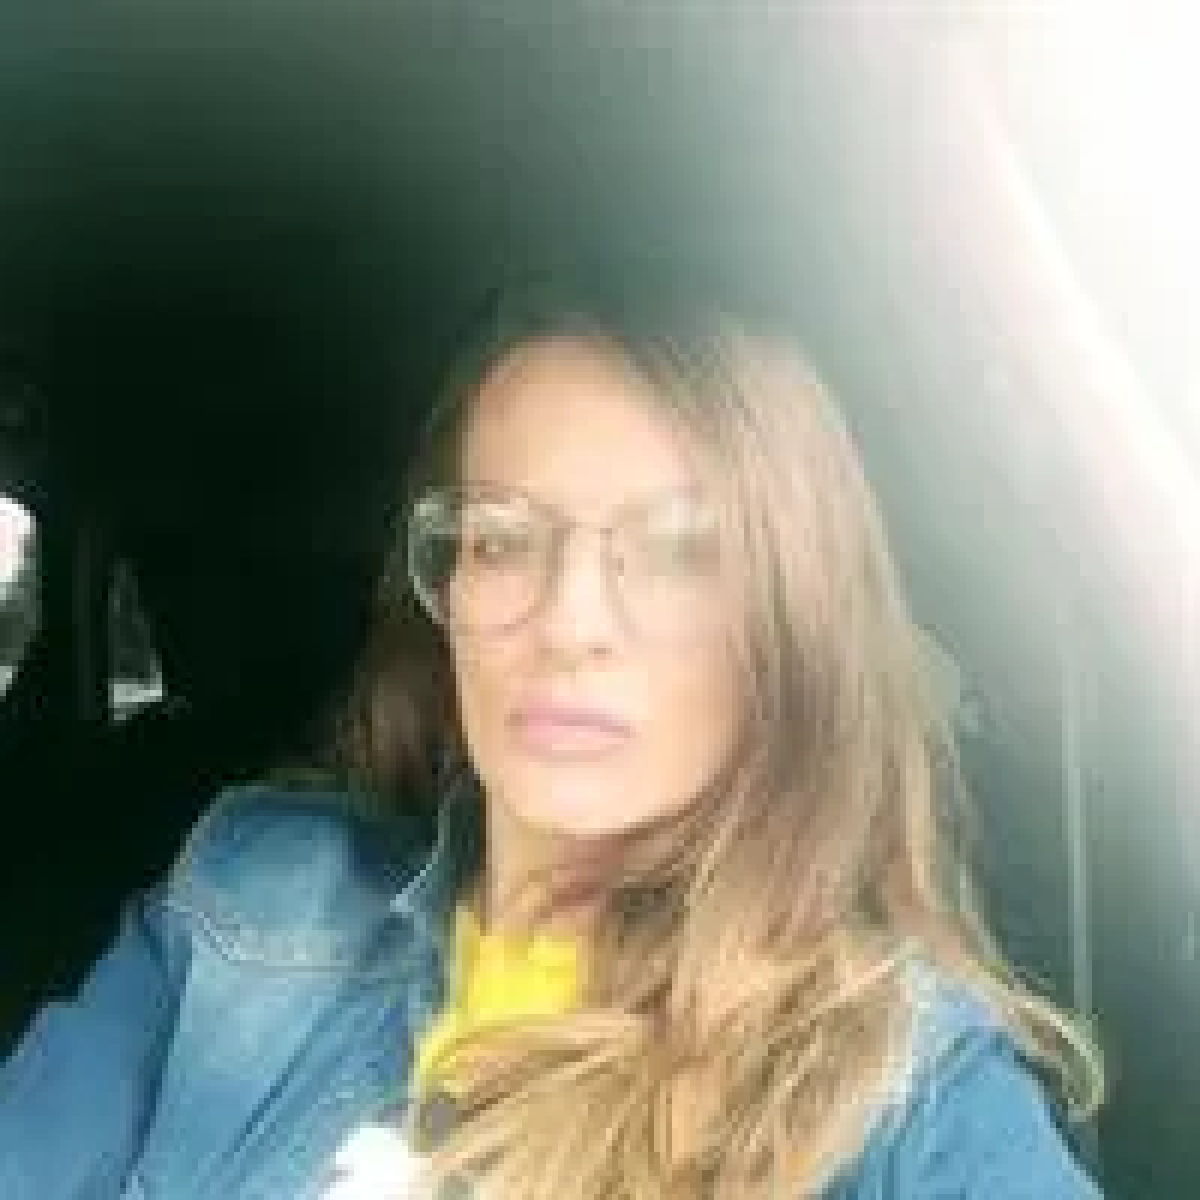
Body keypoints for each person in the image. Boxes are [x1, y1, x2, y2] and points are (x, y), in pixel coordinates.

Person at [0, 278, 1104, 1198]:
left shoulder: (902, 1089)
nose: (570, 625)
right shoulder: (253, 899)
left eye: (679, 553)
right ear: (446, 593)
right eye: (502, 540)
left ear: (791, 624)